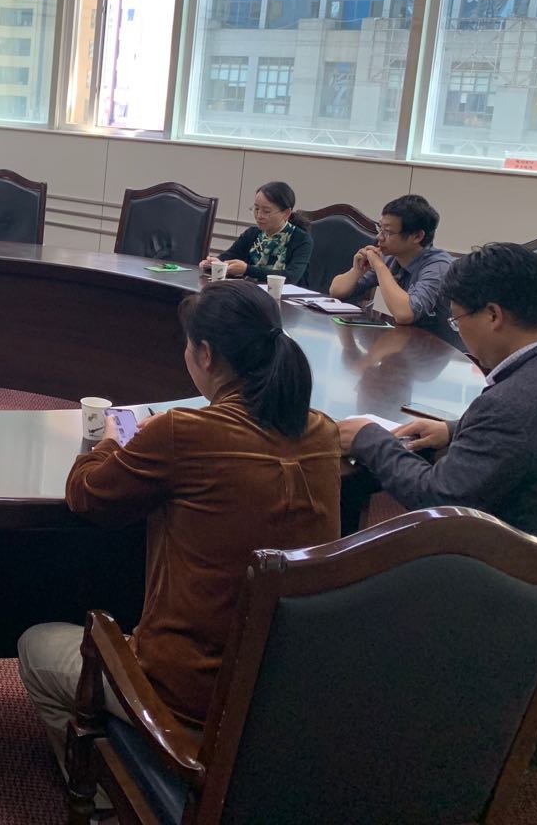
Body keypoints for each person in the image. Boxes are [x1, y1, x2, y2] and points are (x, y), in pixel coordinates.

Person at [17, 279, 339, 780]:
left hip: (189, 700)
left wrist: (112, 441)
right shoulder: (323, 430)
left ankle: (110, 791)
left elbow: (86, 495)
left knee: (36, 646)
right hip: (285, 690)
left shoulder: (181, 432)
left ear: (205, 353)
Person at [337, 243, 537, 662]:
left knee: (341, 600)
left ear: (493, 315)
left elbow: (437, 496)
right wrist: (453, 430)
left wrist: (369, 437)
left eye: (457, 320)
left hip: (524, 629)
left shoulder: (512, 402)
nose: (459, 332)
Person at [328, 193, 460, 347]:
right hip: (407, 344)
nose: (379, 237)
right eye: (380, 228)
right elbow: (336, 291)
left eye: (388, 232)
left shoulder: (438, 266)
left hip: (440, 351)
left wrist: (379, 266)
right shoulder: (391, 257)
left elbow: (405, 314)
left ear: (417, 236)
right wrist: (357, 270)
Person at [201, 180, 312, 286]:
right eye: (256, 209)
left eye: (266, 211)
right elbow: (229, 256)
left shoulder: (301, 240)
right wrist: (213, 262)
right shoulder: (252, 233)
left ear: (286, 213)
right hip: (250, 292)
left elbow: (291, 277)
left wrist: (247, 270)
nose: (259, 216)